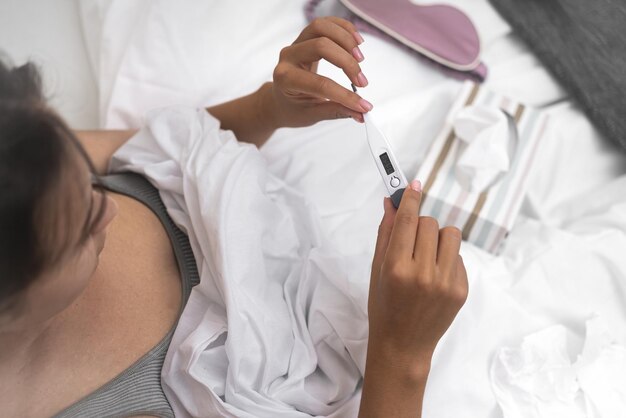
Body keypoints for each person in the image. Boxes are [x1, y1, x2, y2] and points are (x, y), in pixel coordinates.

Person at [0, 17, 467, 418]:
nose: (109, 206)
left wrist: (272, 107)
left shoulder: (23, 157)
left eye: (89, 182)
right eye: (81, 230)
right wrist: (402, 355)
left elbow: (164, 146)